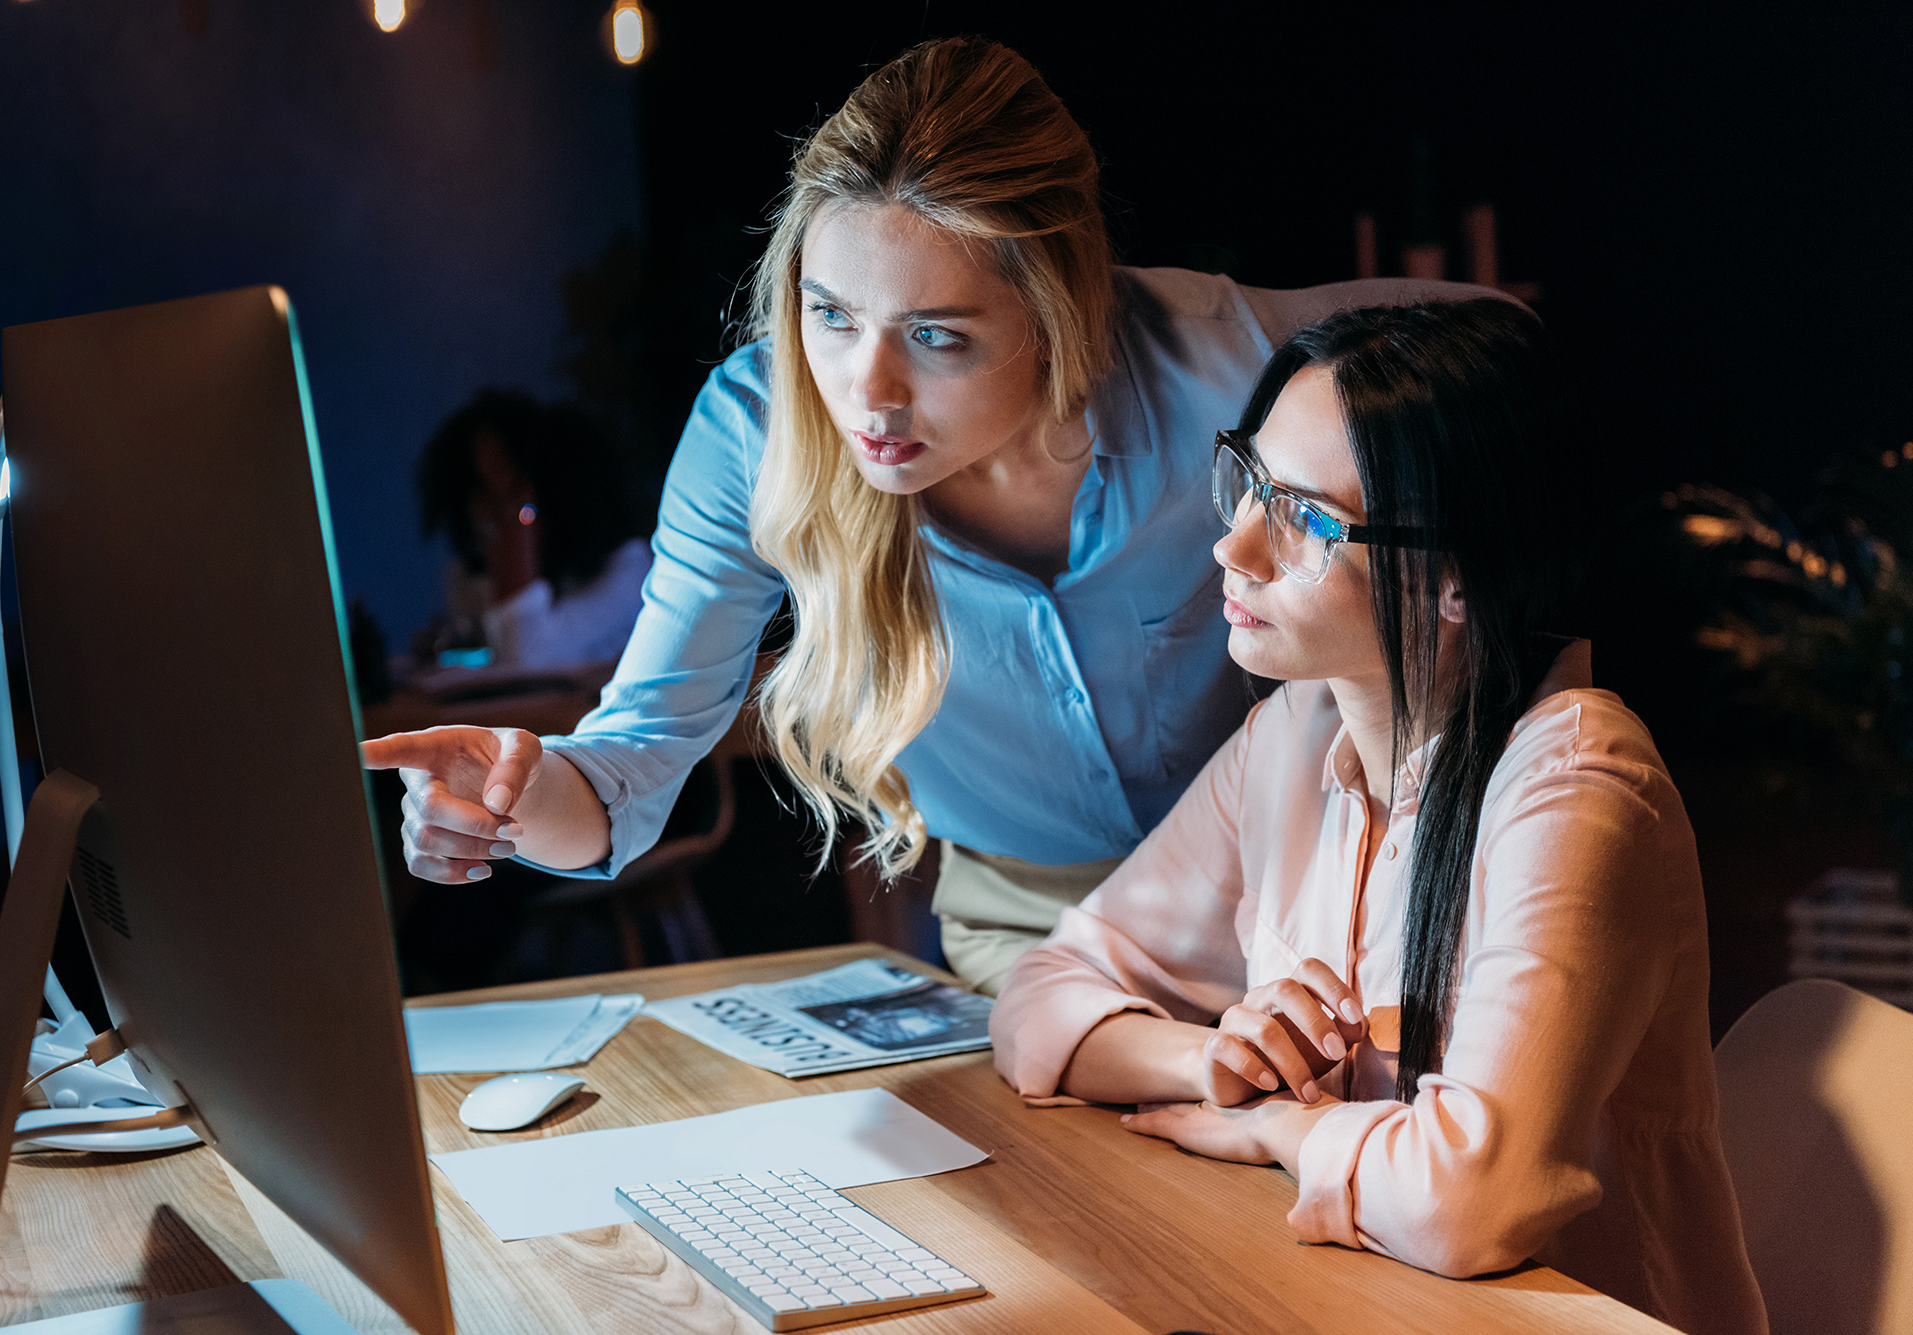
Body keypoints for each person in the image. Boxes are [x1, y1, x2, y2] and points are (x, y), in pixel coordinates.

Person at [362, 35, 1498, 993]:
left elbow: (1499, 337)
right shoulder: (758, 433)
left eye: (937, 336)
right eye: (830, 315)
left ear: (1060, 307)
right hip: (1026, 937)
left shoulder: (1228, 372)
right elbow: (632, 766)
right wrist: (515, 797)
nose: (867, 391)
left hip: (1305, 901)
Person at [989, 300, 1767, 1335]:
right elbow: (1039, 996)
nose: (1232, 547)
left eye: (1302, 520)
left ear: (1455, 576)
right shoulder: (1295, 733)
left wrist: (1279, 1131)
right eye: (1248, 483)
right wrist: (1213, 1060)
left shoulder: (1574, 784)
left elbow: (1465, 1203)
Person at [416, 388, 651, 671]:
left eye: (513, 486)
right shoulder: (466, 578)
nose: (496, 507)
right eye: (481, 486)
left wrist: (517, 532)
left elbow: (527, 660)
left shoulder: (628, 567)